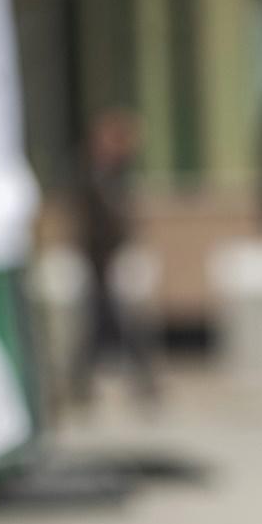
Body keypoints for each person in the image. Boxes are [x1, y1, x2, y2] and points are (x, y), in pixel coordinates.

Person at [72, 109, 158, 408]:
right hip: (101, 257)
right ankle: (83, 384)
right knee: (108, 321)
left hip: (111, 256)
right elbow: (105, 218)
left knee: (111, 321)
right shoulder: (96, 173)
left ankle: (84, 384)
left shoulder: (116, 172)